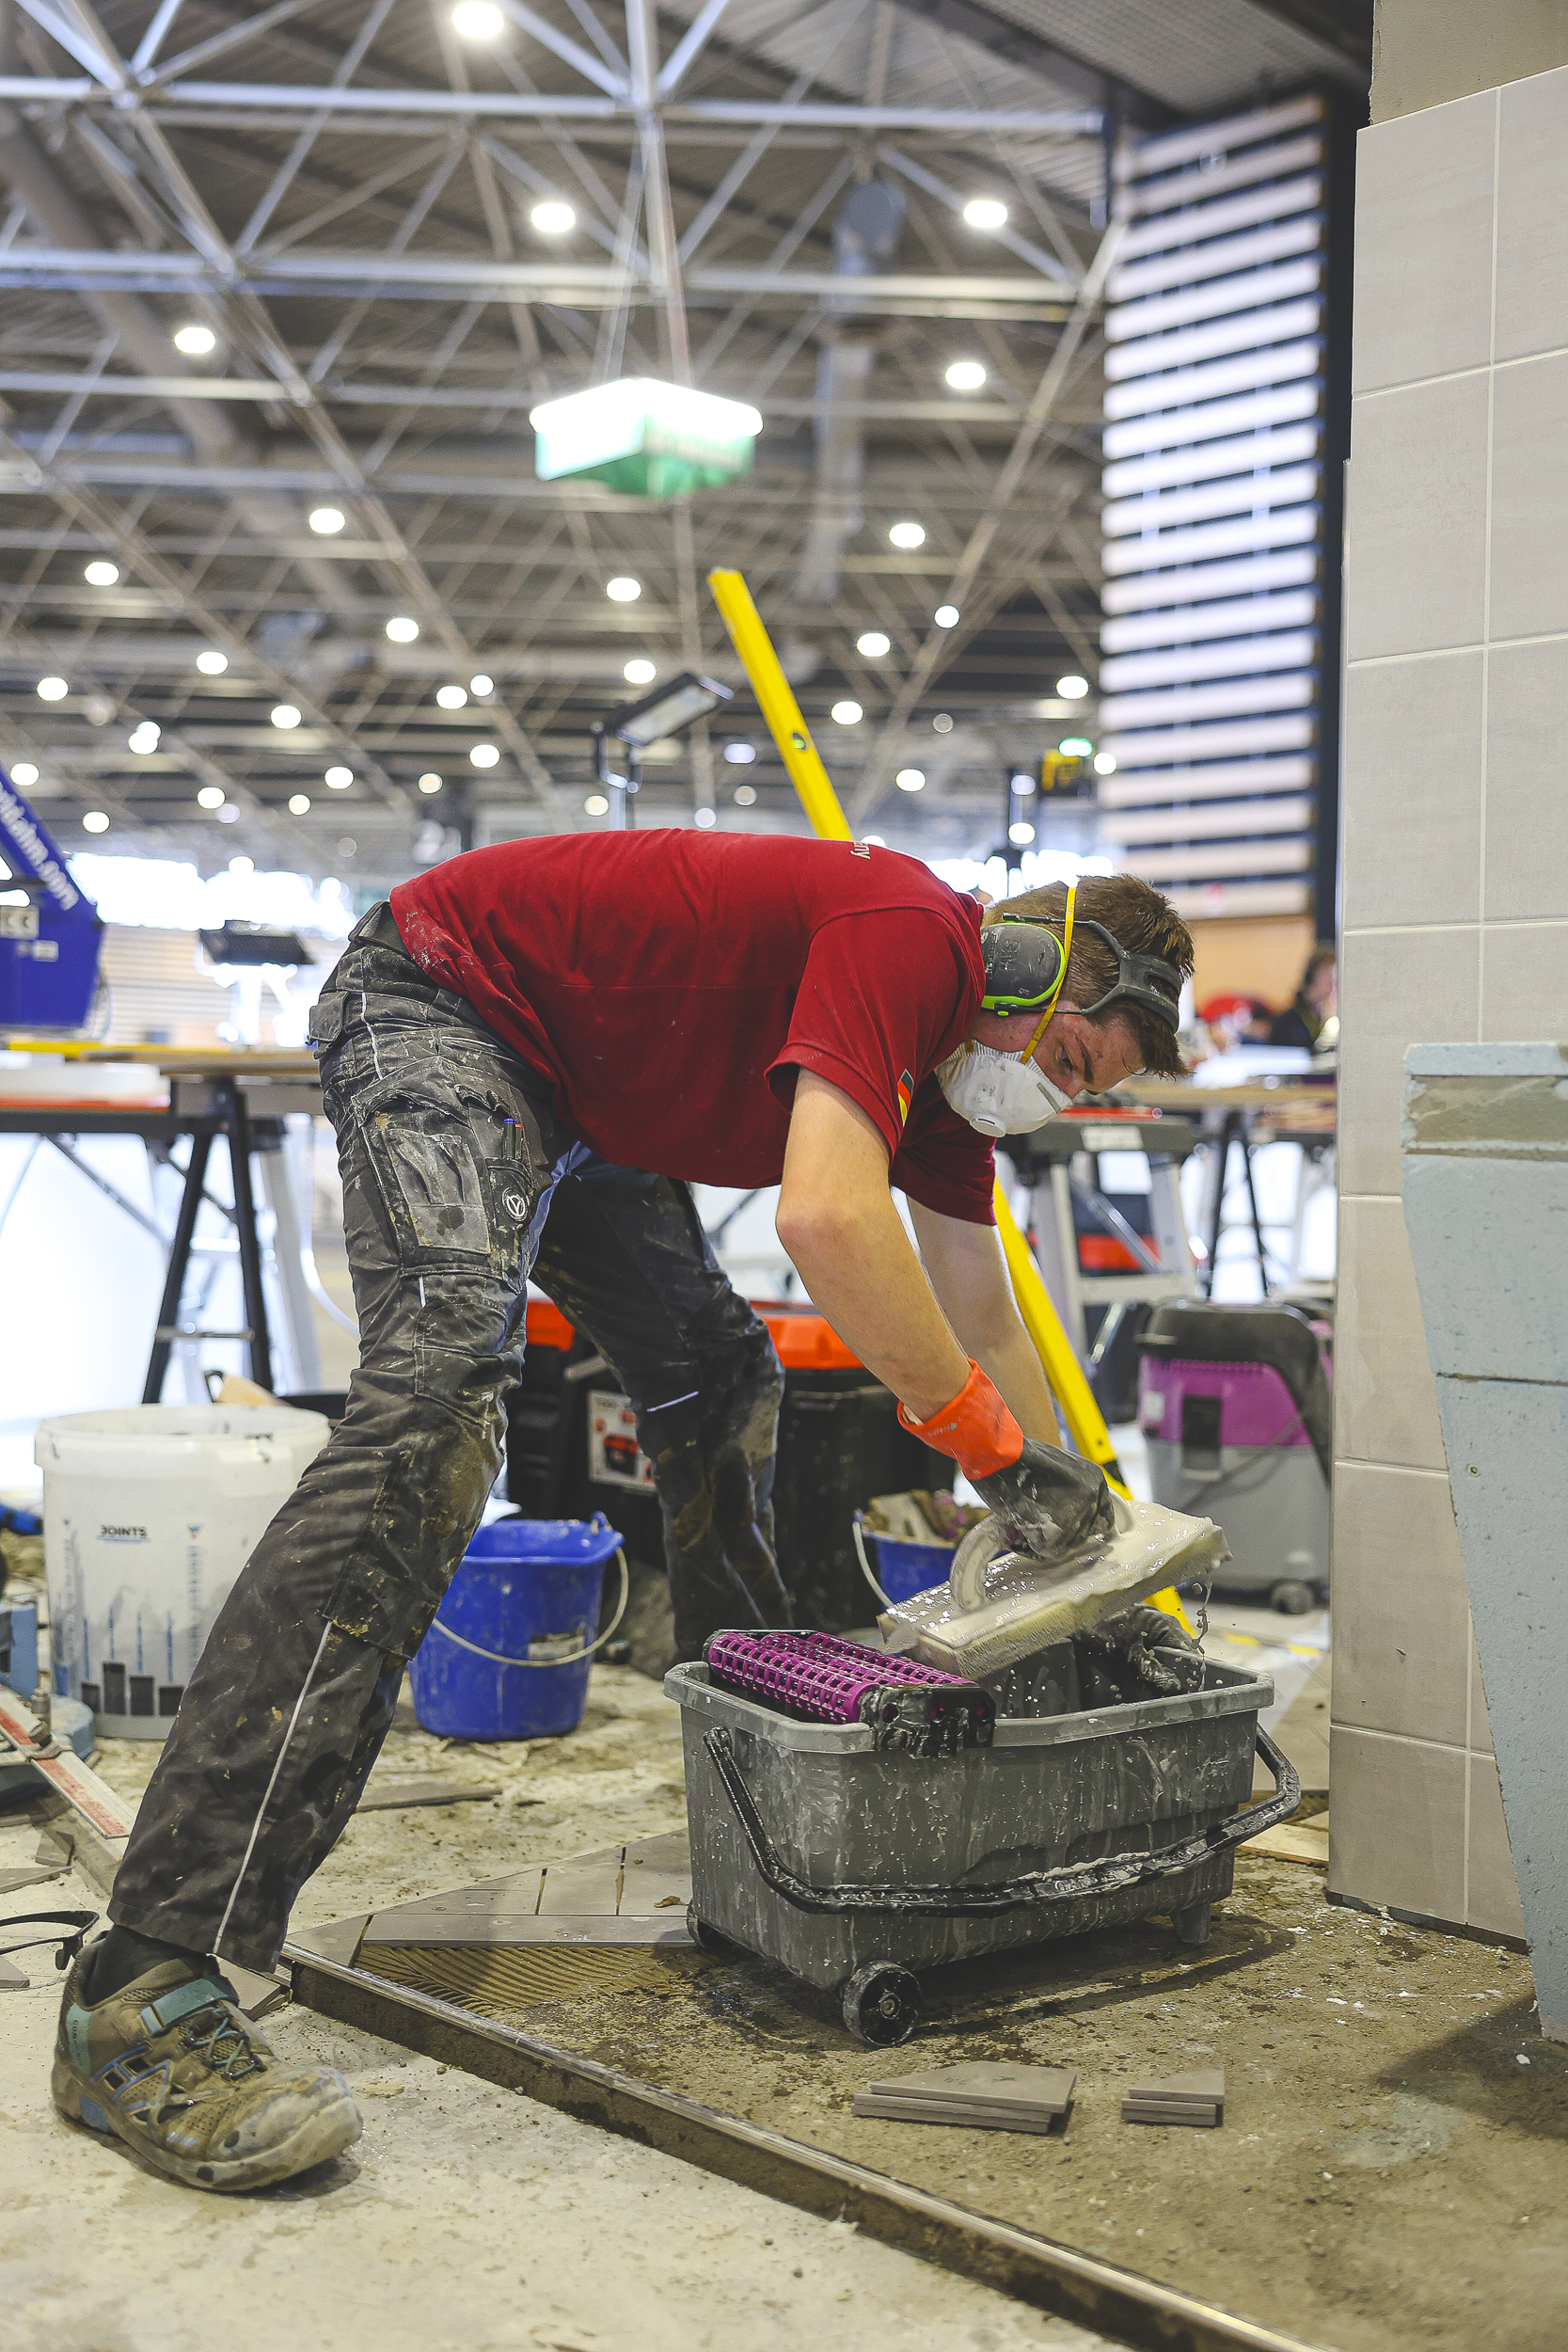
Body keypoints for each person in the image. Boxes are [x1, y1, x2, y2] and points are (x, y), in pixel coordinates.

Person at [49, 833, 1193, 2191]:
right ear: (1029, 962)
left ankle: (754, 1821)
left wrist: (1080, 1527)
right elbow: (828, 1221)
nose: (1044, 1103)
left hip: (570, 1094)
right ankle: (148, 1971)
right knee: (435, 1405)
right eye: (1064, 1063)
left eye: (1080, 1096)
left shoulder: (948, 1087)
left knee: (717, 1372)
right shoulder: (913, 935)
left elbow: (977, 1303)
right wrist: (990, 1457)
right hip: (443, 999)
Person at [1268, 944, 1337, 1052]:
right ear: (1311, 977)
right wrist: (1327, 1025)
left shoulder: (1326, 1013)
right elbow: (1315, 1056)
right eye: (1328, 976)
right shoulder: (1287, 1023)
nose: (1332, 985)